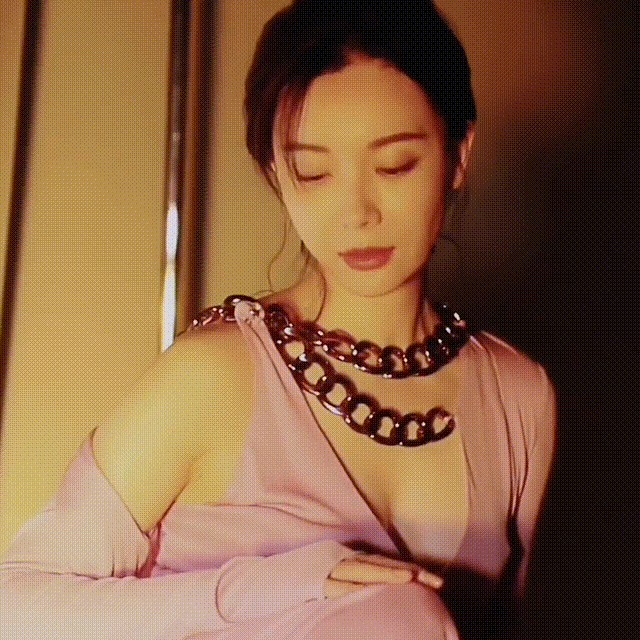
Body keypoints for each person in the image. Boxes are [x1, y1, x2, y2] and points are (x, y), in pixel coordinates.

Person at [0, 1, 556, 638]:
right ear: (276, 174)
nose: (357, 213)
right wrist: (261, 588)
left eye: (395, 165)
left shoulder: (521, 398)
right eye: (313, 173)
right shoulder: (217, 377)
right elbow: (16, 605)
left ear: (458, 155)